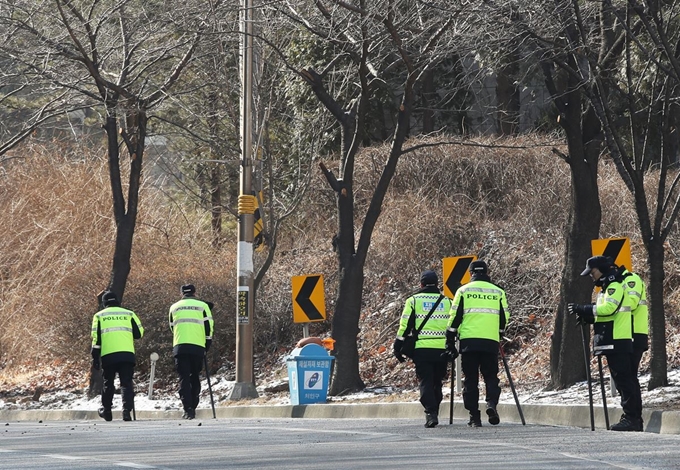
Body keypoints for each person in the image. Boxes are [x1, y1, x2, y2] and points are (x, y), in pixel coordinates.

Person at [568, 255, 641, 431]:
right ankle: (631, 418)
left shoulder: (614, 286)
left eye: (592, 272)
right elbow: (604, 314)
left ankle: (632, 419)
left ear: (602, 269)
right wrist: (589, 318)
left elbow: (610, 309)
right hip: (612, 338)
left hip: (617, 338)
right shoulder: (607, 288)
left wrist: (583, 308)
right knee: (622, 379)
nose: (591, 276)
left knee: (624, 380)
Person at [446, 260, 509, 427]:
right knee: (491, 376)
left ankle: (474, 416)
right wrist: (500, 333)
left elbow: (454, 317)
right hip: (490, 340)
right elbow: (504, 317)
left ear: (470, 273)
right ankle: (491, 404)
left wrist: (450, 339)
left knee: (471, 379)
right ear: (487, 272)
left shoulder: (463, 291)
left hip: (469, 342)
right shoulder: (498, 292)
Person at [393, 270, 453, 428]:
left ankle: (430, 412)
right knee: (437, 382)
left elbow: (405, 326)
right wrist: (452, 346)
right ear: (437, 284)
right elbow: (453, 325)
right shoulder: (447, 301)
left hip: (422, 349)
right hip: (441, 348)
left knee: (426, 380)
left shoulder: (413, 301)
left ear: (421, 284)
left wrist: (397, 347)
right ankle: (435, 410)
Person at [91, 290, 144, 422]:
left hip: (108, 355)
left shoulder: (99, 316)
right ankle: (127, 412)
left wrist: (95, 357)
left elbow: (96, 339)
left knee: (108, 383)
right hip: (127, 354)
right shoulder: (129, 314)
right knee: (126, 383)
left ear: (104, 303)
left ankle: (107, 411)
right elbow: (139, 334)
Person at [169, 284, 214, 419]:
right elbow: (209, 327)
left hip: (180, 346)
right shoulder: (203, 306)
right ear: (195, 292)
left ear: (181, 293)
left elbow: (172, 326)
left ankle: (187, 408)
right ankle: (194, 403)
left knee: (183, 377)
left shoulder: (174, 307)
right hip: (197, 346)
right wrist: (207, 344)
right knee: (194, 375)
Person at [618, 264, 648, 430]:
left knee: (629, 377)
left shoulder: (631, 280)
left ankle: (633, 418)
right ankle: (633, 417)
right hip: (627, 333)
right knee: (628, 377)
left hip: (634, 334)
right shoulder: (620, 282)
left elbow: (631, 303)